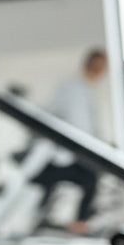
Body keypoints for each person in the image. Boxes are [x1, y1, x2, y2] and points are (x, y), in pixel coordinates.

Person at [33, 48, 109, 235]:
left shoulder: (83, 89)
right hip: (63, 154)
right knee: (90, 178)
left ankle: (75, 221)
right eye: (101, 65)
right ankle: (77, 223)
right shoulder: (75, 89)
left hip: (70, 152)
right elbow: (80, 127)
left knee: (89, 179)